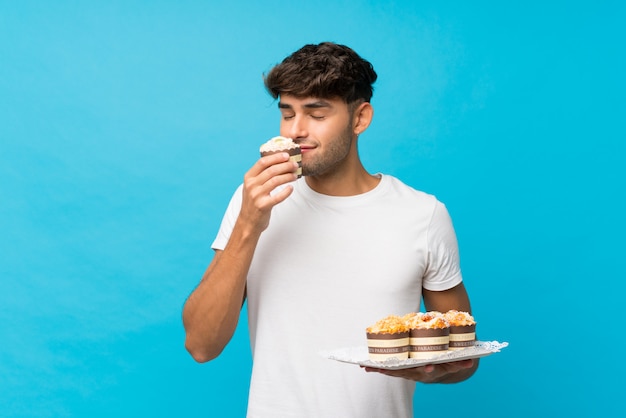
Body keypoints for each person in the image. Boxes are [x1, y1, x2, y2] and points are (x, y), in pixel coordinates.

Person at [182, 42, 478, 417]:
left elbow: (464, 358)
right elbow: (201, 345)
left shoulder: (423, 214)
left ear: (360, 119)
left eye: (316, 113)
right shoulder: (254, 199)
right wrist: (248, 225)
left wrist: (432, 370)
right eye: (287, 114)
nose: (296, 131)